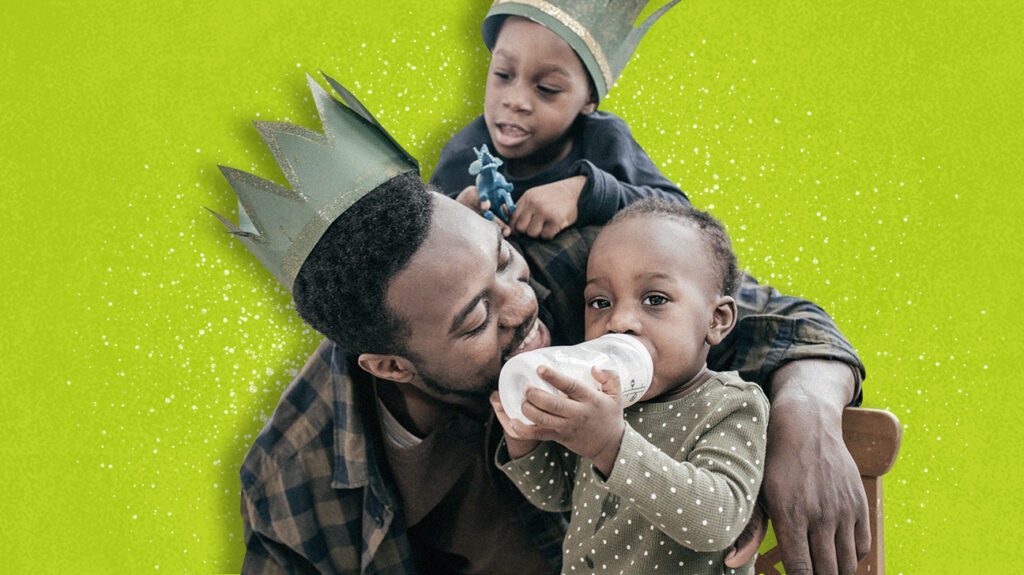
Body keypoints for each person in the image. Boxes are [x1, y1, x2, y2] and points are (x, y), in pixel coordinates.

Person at [223, 75, 867, 575]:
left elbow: (776, 319)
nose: (522, 305)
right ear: (390, 366)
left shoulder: (583, 278)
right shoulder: (293, 478)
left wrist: (803, 418)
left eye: (502, 258)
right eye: (477, 319)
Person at [493, 199, 769, 574]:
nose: (619, 321)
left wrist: (610, 445)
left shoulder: (730, 404)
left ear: (716, 319)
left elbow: (718, 522)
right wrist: (524, 435)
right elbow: (553, 495)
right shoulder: (599, 398)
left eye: (655, 300)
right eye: (600, 302)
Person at [430, 4, 687, 240]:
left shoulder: (605, 139)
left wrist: (585, 194)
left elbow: (684, 217)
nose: (515, 100)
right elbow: (415, 243)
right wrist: (455, 214)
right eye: (503, 74)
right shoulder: (463, 154)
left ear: (589, 99)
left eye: (547, 88)